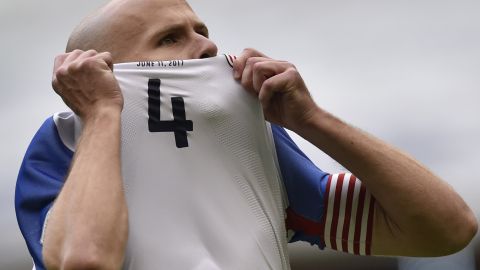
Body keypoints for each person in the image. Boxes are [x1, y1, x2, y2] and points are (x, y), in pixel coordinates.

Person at [15, 0, 477, 269]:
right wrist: (101, 113)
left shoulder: (255, 142)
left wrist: (311, 119)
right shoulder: (64, 143)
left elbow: (448, 231)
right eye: (171, 38)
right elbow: (85, 261)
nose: (210, 46)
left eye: (203, 31)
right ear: (104, 71)